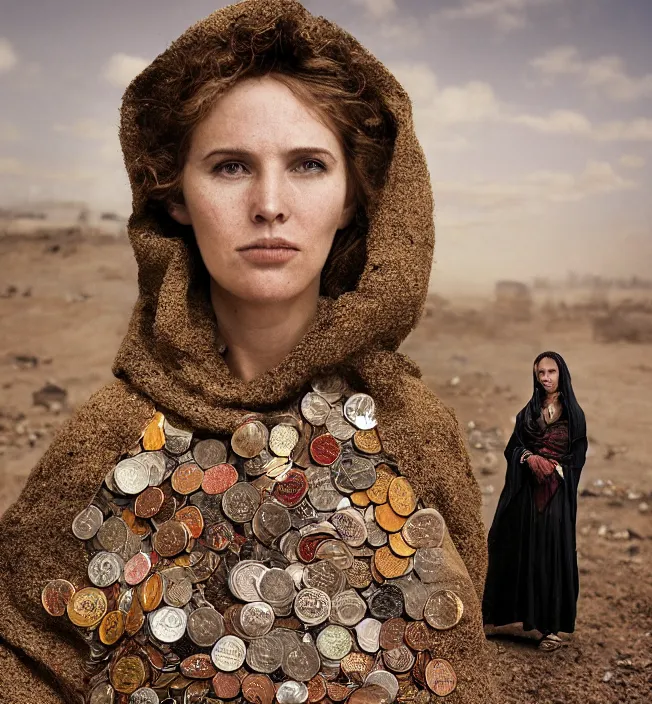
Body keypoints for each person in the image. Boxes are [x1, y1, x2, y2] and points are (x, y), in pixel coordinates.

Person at [0, 1, 496, 702]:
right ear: (174, 198)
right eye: (231, 167)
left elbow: (460, 662)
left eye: (309, 165)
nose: (269, 203)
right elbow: (21, 654)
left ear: (355, 197)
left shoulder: (416, 430)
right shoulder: (103, 437)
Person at [482, 351, 588, 652]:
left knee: (551, 555)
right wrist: (528, 458)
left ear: (561, 374)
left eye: (551, 372)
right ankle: (496, 617)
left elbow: (577, 457)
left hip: (555, 496)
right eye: (540, 373)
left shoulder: (574, 416)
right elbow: (513, 448)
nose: (545, 378)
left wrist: (554, 467)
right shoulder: (527, 413)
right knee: (515, 546)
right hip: (525, 494)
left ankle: (550, 629)